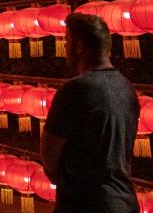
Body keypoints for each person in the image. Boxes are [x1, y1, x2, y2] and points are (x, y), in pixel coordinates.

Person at [41, 13, 140, 213]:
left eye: (67, 40)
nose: (65, 47)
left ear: (79, 47)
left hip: (84, 202)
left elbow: (49, 153)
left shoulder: (75, 89)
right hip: (123, 201)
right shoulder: (127, 88)